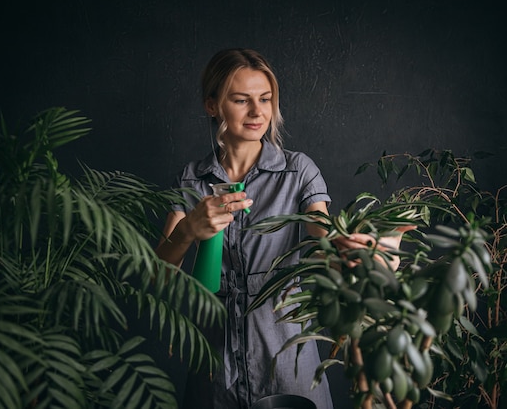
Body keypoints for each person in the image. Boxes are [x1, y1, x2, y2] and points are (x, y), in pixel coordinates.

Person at [155, 48, 405, 409]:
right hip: (212, 364)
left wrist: (352, 249)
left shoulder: (297, 170)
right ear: (213, 106)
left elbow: (323, 235)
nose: (258, 112)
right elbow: (158, 278)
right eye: (242, 100)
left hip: (286, 354)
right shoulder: (191, 179)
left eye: (266, 99)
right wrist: (189, 230)